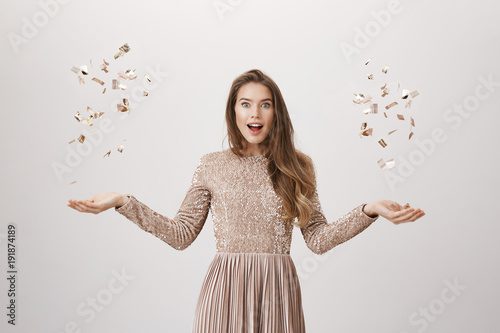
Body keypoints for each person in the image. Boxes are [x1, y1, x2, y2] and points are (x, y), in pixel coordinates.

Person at [67, 69, 425, 332]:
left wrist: (369, 211)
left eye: (265, 105)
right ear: (234, 111)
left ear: (276, 113)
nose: (255, 114)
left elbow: (317, 239)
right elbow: (180, 234)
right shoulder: (212, 164)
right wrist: (122, 202)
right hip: (224, 290)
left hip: (277, 291)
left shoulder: (298, 166)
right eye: (246, 104)